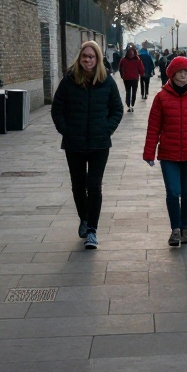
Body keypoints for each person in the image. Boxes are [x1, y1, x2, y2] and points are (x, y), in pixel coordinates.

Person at [50, 40, 124, 250]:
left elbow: (117, 109)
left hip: (100, 144)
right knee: (78, 185)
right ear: (80, 58)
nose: (88, 60)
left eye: (91, 57)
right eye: (85, 56)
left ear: (97, 59)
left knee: (94, 186)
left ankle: (92, 229)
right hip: (74, 144)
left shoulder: (106, 81)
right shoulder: (69, 81)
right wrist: (67, 130)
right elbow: (57, 109)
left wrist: (106, 129)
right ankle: (83, 219)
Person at [144, 56, 187, 247]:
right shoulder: (161, 97)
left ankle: (184, 227)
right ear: (172, 74)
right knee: (173, 192)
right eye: (180, 72)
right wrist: (149, 152)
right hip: (169, 153)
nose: (183, 75)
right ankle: (175, 229)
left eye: (186, 72)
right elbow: (154, 126)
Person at [118, 43, 143, 112]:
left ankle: (129, 104)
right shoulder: (138, 59)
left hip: (127, 78)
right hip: (134, 78)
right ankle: (131, 104)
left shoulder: (124, 59)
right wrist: (142, 74)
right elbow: (141, 68)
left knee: (128, 91)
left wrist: (122, 75)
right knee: (133, 91)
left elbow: (120, 67)